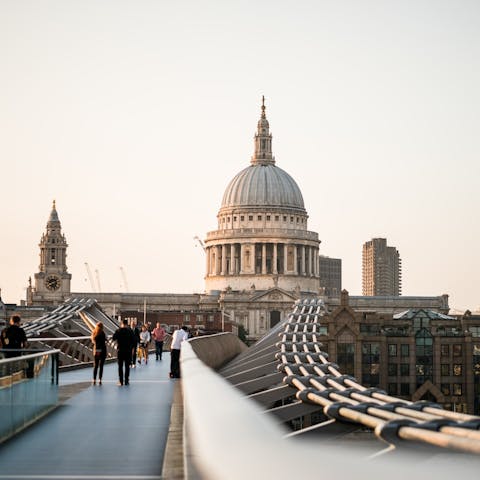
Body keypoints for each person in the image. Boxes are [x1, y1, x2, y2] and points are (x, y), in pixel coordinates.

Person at [112, 319, 135, 386]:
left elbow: (113, 338)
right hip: (128, 351)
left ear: (121, 324)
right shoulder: (130, 331)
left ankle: (121, 381)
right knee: (127, 366)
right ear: (127, 324)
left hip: (120, 351)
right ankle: (127, 381)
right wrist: (132, 349)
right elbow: (134, 341)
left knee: (120, 366)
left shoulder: (118, 330)